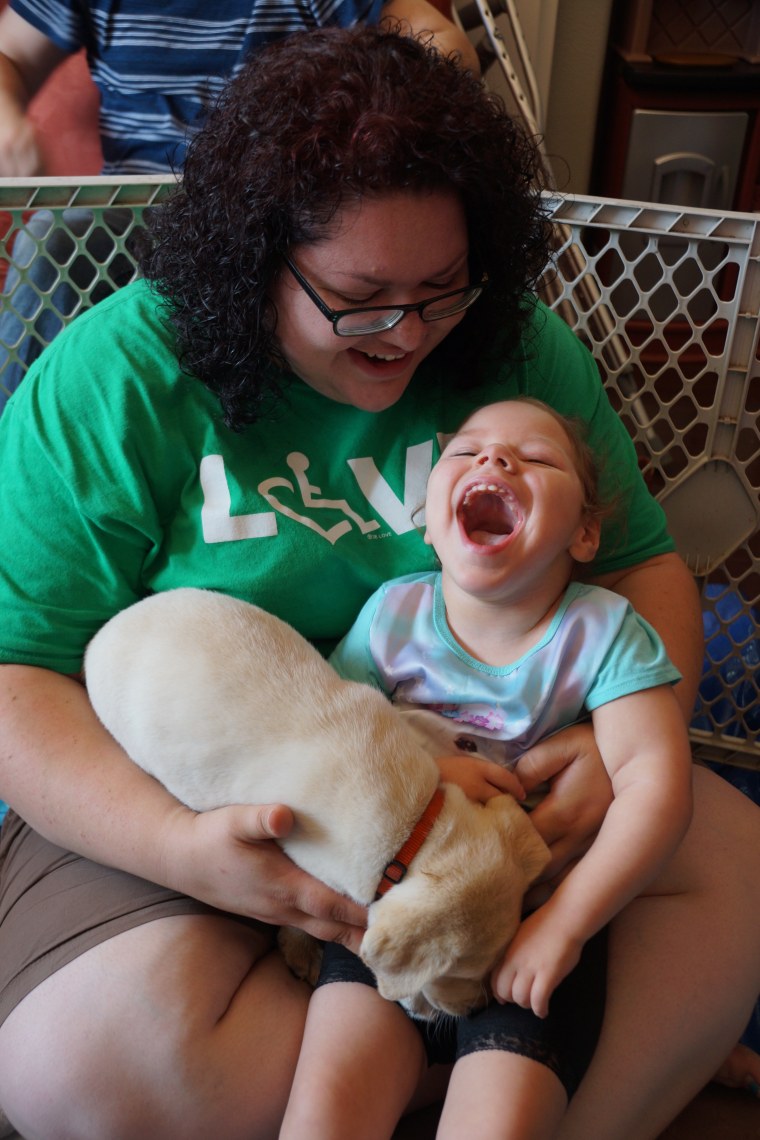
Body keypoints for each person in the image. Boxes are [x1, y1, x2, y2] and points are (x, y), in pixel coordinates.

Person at [0, 25, 757, 1140]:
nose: (405, 336)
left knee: (734, 873)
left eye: (440, 290)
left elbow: (640, 560)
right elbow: (18, 673)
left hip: (501, 786)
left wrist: (610, 753)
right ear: (253, 257)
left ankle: (470, 1085)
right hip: (207, 798)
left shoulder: (513, 345)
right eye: (359, 299)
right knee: (80, 1068)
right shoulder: (114, 377)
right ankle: (514, 1070)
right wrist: (183, 852)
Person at [280, 397, 694, 1140]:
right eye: (466, 451)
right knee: (324, 1117)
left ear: (586, 532)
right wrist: (428, 765)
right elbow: (334, 744)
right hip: (396, 916)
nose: (495, 460)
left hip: (529, 927)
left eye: (535, 458)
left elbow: (657, 787)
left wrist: (566, 926)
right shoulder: (390, 616)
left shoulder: (603, 631)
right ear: (429, 521)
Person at [0, 0, 477, 405]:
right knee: (55, 236)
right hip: (134, 208)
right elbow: (10, 55)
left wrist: (408, 87)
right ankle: (17, 449)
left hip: (276, 209)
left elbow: (437, 38)